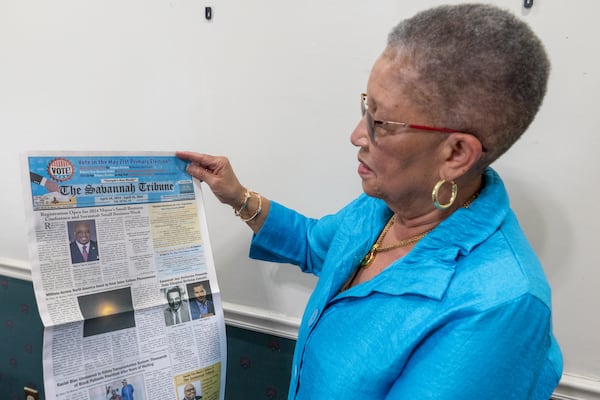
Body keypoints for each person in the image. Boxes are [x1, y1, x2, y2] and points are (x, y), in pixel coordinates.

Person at [177, 3, 562, 399]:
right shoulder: (384, 206)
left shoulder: (501, 306)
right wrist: (238, 196)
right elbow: (314, 243)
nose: (357, 134)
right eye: (366, 108)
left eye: (380, 122)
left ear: (456, 154)